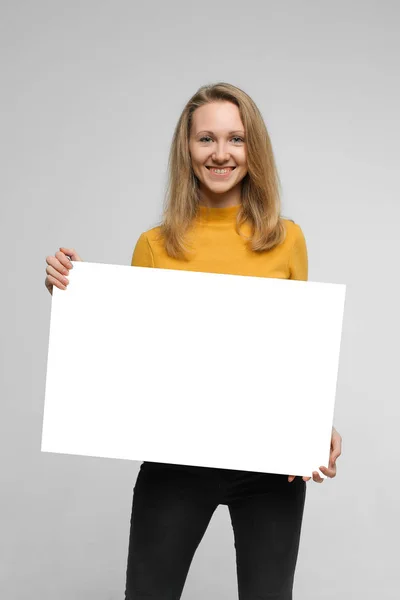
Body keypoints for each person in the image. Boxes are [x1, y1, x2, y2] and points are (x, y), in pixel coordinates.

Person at [44, 82, 342, 600]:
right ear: (187, 149)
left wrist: (317, 423)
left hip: (268, 461)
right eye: (206, 139)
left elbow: (293, 355)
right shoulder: (155, 245)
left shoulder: (287, 238)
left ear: (255, 150)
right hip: (176, 460)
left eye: (236, 139)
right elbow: (135, 358)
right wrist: (76, 294)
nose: (221, 154)